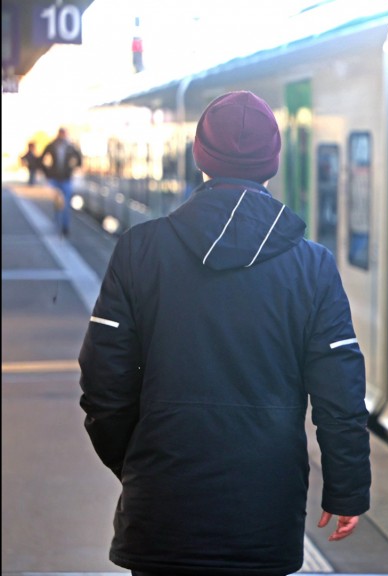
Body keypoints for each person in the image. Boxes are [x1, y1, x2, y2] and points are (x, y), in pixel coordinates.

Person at [79, 91, 371, 576]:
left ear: (200, 158)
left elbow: (102, 385)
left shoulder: (140, 251)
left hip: (161, 510)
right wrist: (348, 487)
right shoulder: (312, 266)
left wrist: (141, 460)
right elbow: (341, 392)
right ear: (272, 164)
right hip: (265, 510)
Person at [39, 127, 82, 236]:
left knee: (66, 203)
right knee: (58, 203)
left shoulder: (70, 146)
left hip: (66, 178)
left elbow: (79, 159)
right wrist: (48, 173)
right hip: (54, 178)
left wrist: (71, 169)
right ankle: (57, 224)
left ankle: (65, 226)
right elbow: (41, 159)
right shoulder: (52, 145)